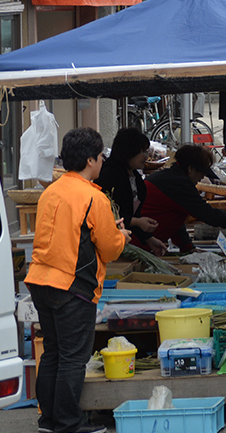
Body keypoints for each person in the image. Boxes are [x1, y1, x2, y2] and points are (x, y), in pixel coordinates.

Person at [27, 128, 130, 433]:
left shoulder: (51, 191)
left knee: (54, 353)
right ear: (90, 160)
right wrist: (121, 235)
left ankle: (48, 420)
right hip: (72, 286)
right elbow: (110, 249)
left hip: (40, 280)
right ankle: (69, 423)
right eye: (100, 157)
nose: (102, 162)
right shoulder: (92, 196)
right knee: (73, 358)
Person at [141, 145, 226, 253]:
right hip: (141, 241)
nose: (202, 177)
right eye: (201, 172)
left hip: (147, 240)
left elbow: (175, 220)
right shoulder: (178, 184)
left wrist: (187, 247)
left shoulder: (170, 178)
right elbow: (207, 214)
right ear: (190, 169)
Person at [95, 128, 164, 255]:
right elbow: (108, 215)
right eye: (142, 152)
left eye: (146, 151)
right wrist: (137, 222)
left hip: (123, 242)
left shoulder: (134, 176)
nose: (146, 156)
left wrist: (149, 238)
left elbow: (133, 214)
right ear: (129, 151)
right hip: (108, 244)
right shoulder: (110, 175)